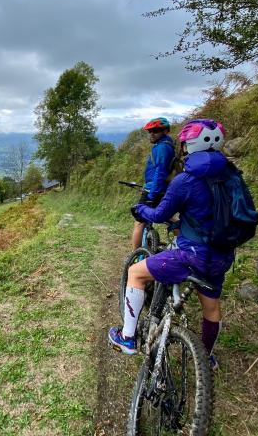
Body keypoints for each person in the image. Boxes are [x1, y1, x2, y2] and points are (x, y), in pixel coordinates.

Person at [109, 119, 233, 370]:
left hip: (191, 255)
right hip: (221, 255)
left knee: (135, 272)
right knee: (211, 308)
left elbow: (157, 214)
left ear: (189, 146)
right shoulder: (232, 178)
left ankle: (128, 338)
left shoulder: (185, 181)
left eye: (185, 144)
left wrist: (142, 207)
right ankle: (205, 358)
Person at [132, 117, 175, 250]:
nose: (152, 133)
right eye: (150, 131)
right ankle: (184, 243)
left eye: (156, 130)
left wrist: (151, 194)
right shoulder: (166, 145)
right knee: (170, 218)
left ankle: (134, 256)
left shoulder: (162, 148)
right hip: (162, 188)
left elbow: (160, 171)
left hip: (154, 189)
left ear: (166, 131)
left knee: (139, 222)